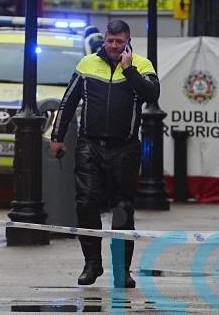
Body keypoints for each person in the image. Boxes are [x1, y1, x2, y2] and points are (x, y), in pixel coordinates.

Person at [50, 19, 159, 288]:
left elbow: (152, 94)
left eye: (119, 42)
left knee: (122, 209)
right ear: (105, 39)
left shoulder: (142, 65)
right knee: (86, 203)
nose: (113, 46)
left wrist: (130, 70)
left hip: (125, 148)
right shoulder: (87, 64)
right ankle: (92, 263)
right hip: (90, 146)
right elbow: (68, 101)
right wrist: (57, 136)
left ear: (127, 41)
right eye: (110, 40)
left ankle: (122, 271)